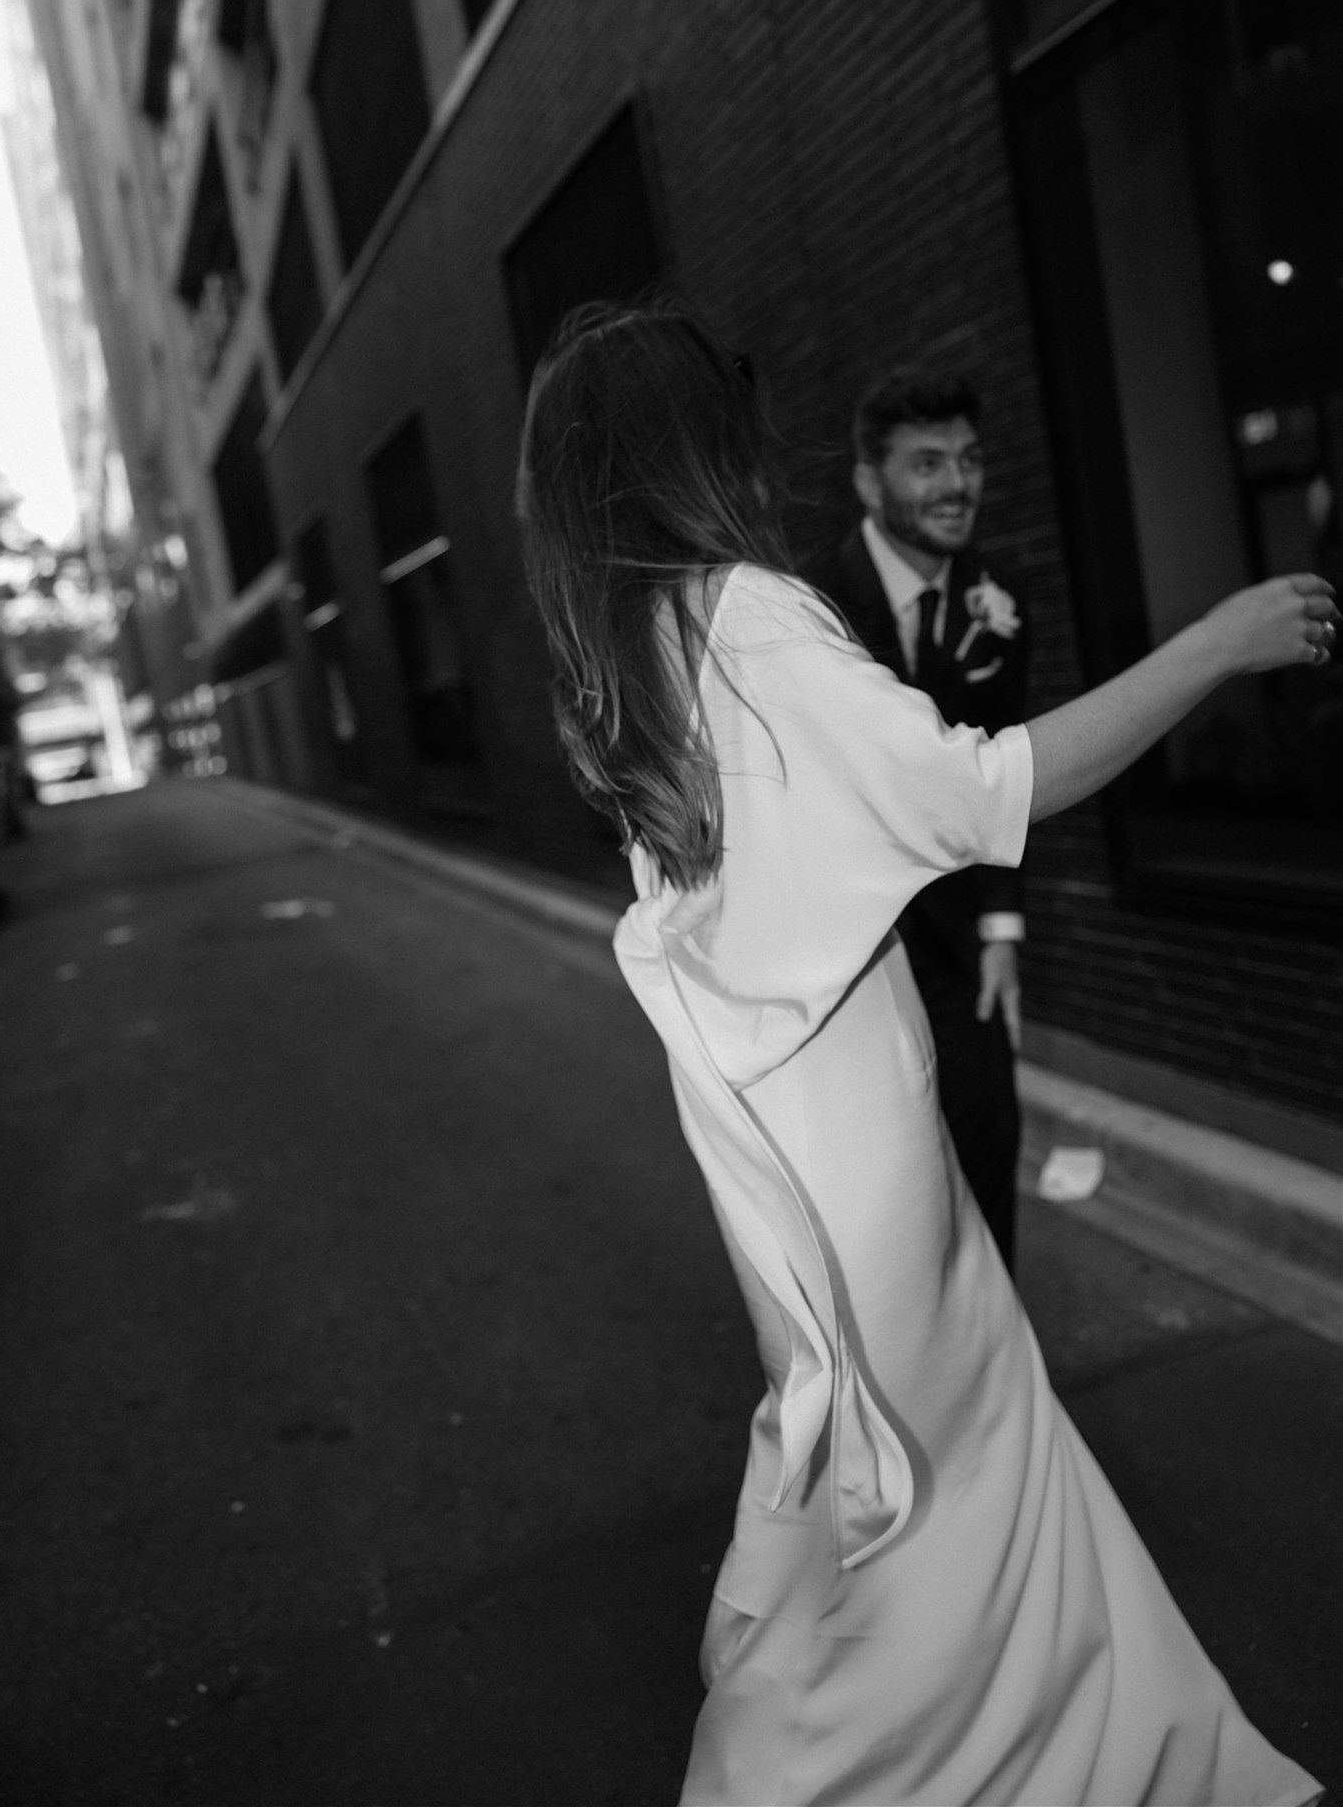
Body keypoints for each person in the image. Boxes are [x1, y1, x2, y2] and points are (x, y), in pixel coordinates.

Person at [516, 298, 1330, 1807]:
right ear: (686, 445)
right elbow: (982, 792)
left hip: (786, 1130)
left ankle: (1099, 1741)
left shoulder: (624, 649)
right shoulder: (746, 614)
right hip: (856, 1134)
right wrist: (1217, 645)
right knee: (936, 1496)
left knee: (931, 1469)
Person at [807, 366, 1028, 1267]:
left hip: (956, 935)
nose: (957, 485)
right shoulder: (810, 602)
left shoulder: (1000, 606)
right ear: (871, 481)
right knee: (879, 1207)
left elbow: (1009, 773)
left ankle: (999, 1380)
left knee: (988, 1137)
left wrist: (1004, 927)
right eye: (927, 463)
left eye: (969, 460)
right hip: (847, 951)